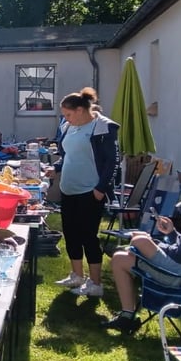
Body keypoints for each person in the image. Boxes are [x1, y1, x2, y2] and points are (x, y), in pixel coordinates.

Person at [102, 181, 181, 332]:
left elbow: (179, 255)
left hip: (180, 277)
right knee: (119, 259)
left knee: (140, 240)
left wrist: (154, 244)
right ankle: (127, 317)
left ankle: (129, 248)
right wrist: (172, 233)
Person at [48, 88, 119, 298]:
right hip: (68, 189)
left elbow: (112, 161)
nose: (66, 119)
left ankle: (95, 283)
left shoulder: (103, 127)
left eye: (68, 114)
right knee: (71, 234)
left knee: (88, 236)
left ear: (80, 110)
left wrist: (101, 189)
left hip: (90, 191)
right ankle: (77, 275)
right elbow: (68, 154)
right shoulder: (69, 126)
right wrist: (57, 168)